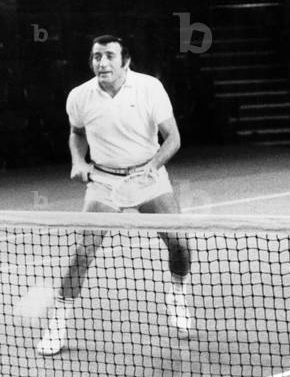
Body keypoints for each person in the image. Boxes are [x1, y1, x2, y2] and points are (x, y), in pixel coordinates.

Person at [37, 35, 192, 355]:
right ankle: (57, 324)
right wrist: (78, 160)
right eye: (96, 56)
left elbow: (173, 138)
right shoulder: (80, 96)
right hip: (105, 182)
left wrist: (153, 166)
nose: (101, 62)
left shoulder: (150, 88)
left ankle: (177, 294)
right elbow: (77, 134)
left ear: (126, 61)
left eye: (109, 56)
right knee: (83, 253)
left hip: (148, 177)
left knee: (179, 244)